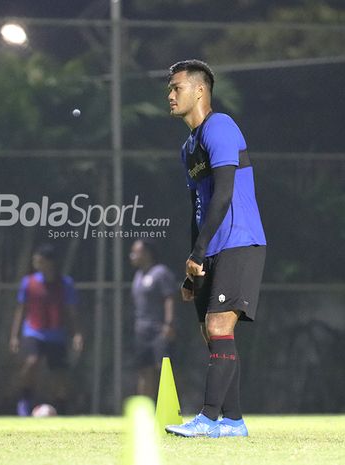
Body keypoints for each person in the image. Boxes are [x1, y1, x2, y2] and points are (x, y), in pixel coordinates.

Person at [164, 59, 267, 438]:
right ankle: (233, 421)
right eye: (170, 90)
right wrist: (194, 263)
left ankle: (207, 419)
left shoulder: (220, 126)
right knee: (214, 335)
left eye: (177, 88)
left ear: (200, 90)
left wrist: (201, 249)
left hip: (240, 241)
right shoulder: (188, 148)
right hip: (212, 249)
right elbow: (200, 209)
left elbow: (224, 193)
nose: (170, 95)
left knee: (218, 324)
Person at [9, 244, 83, 416]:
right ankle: (24, 402)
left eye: (39, 260)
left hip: (56, 334)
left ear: (49, 262)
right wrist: (14, 336)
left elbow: (71, 311)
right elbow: (21, 309)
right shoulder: (29, 283)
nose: (35, 262)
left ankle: (62, 409)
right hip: (34, 332)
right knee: (32, 362)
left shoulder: (65, 284)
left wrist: (77, 333)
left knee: (59, 373)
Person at [129, 239, 176, 398]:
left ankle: (170, 406)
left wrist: (169, 324)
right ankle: (146, 409)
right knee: (144, 369)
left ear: (147, 253)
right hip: (142, 331)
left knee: (163, 369)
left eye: (136, 252)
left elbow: (169, 298)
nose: (133, 256)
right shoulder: (138, 276)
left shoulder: (160, 272)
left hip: (159, 330)